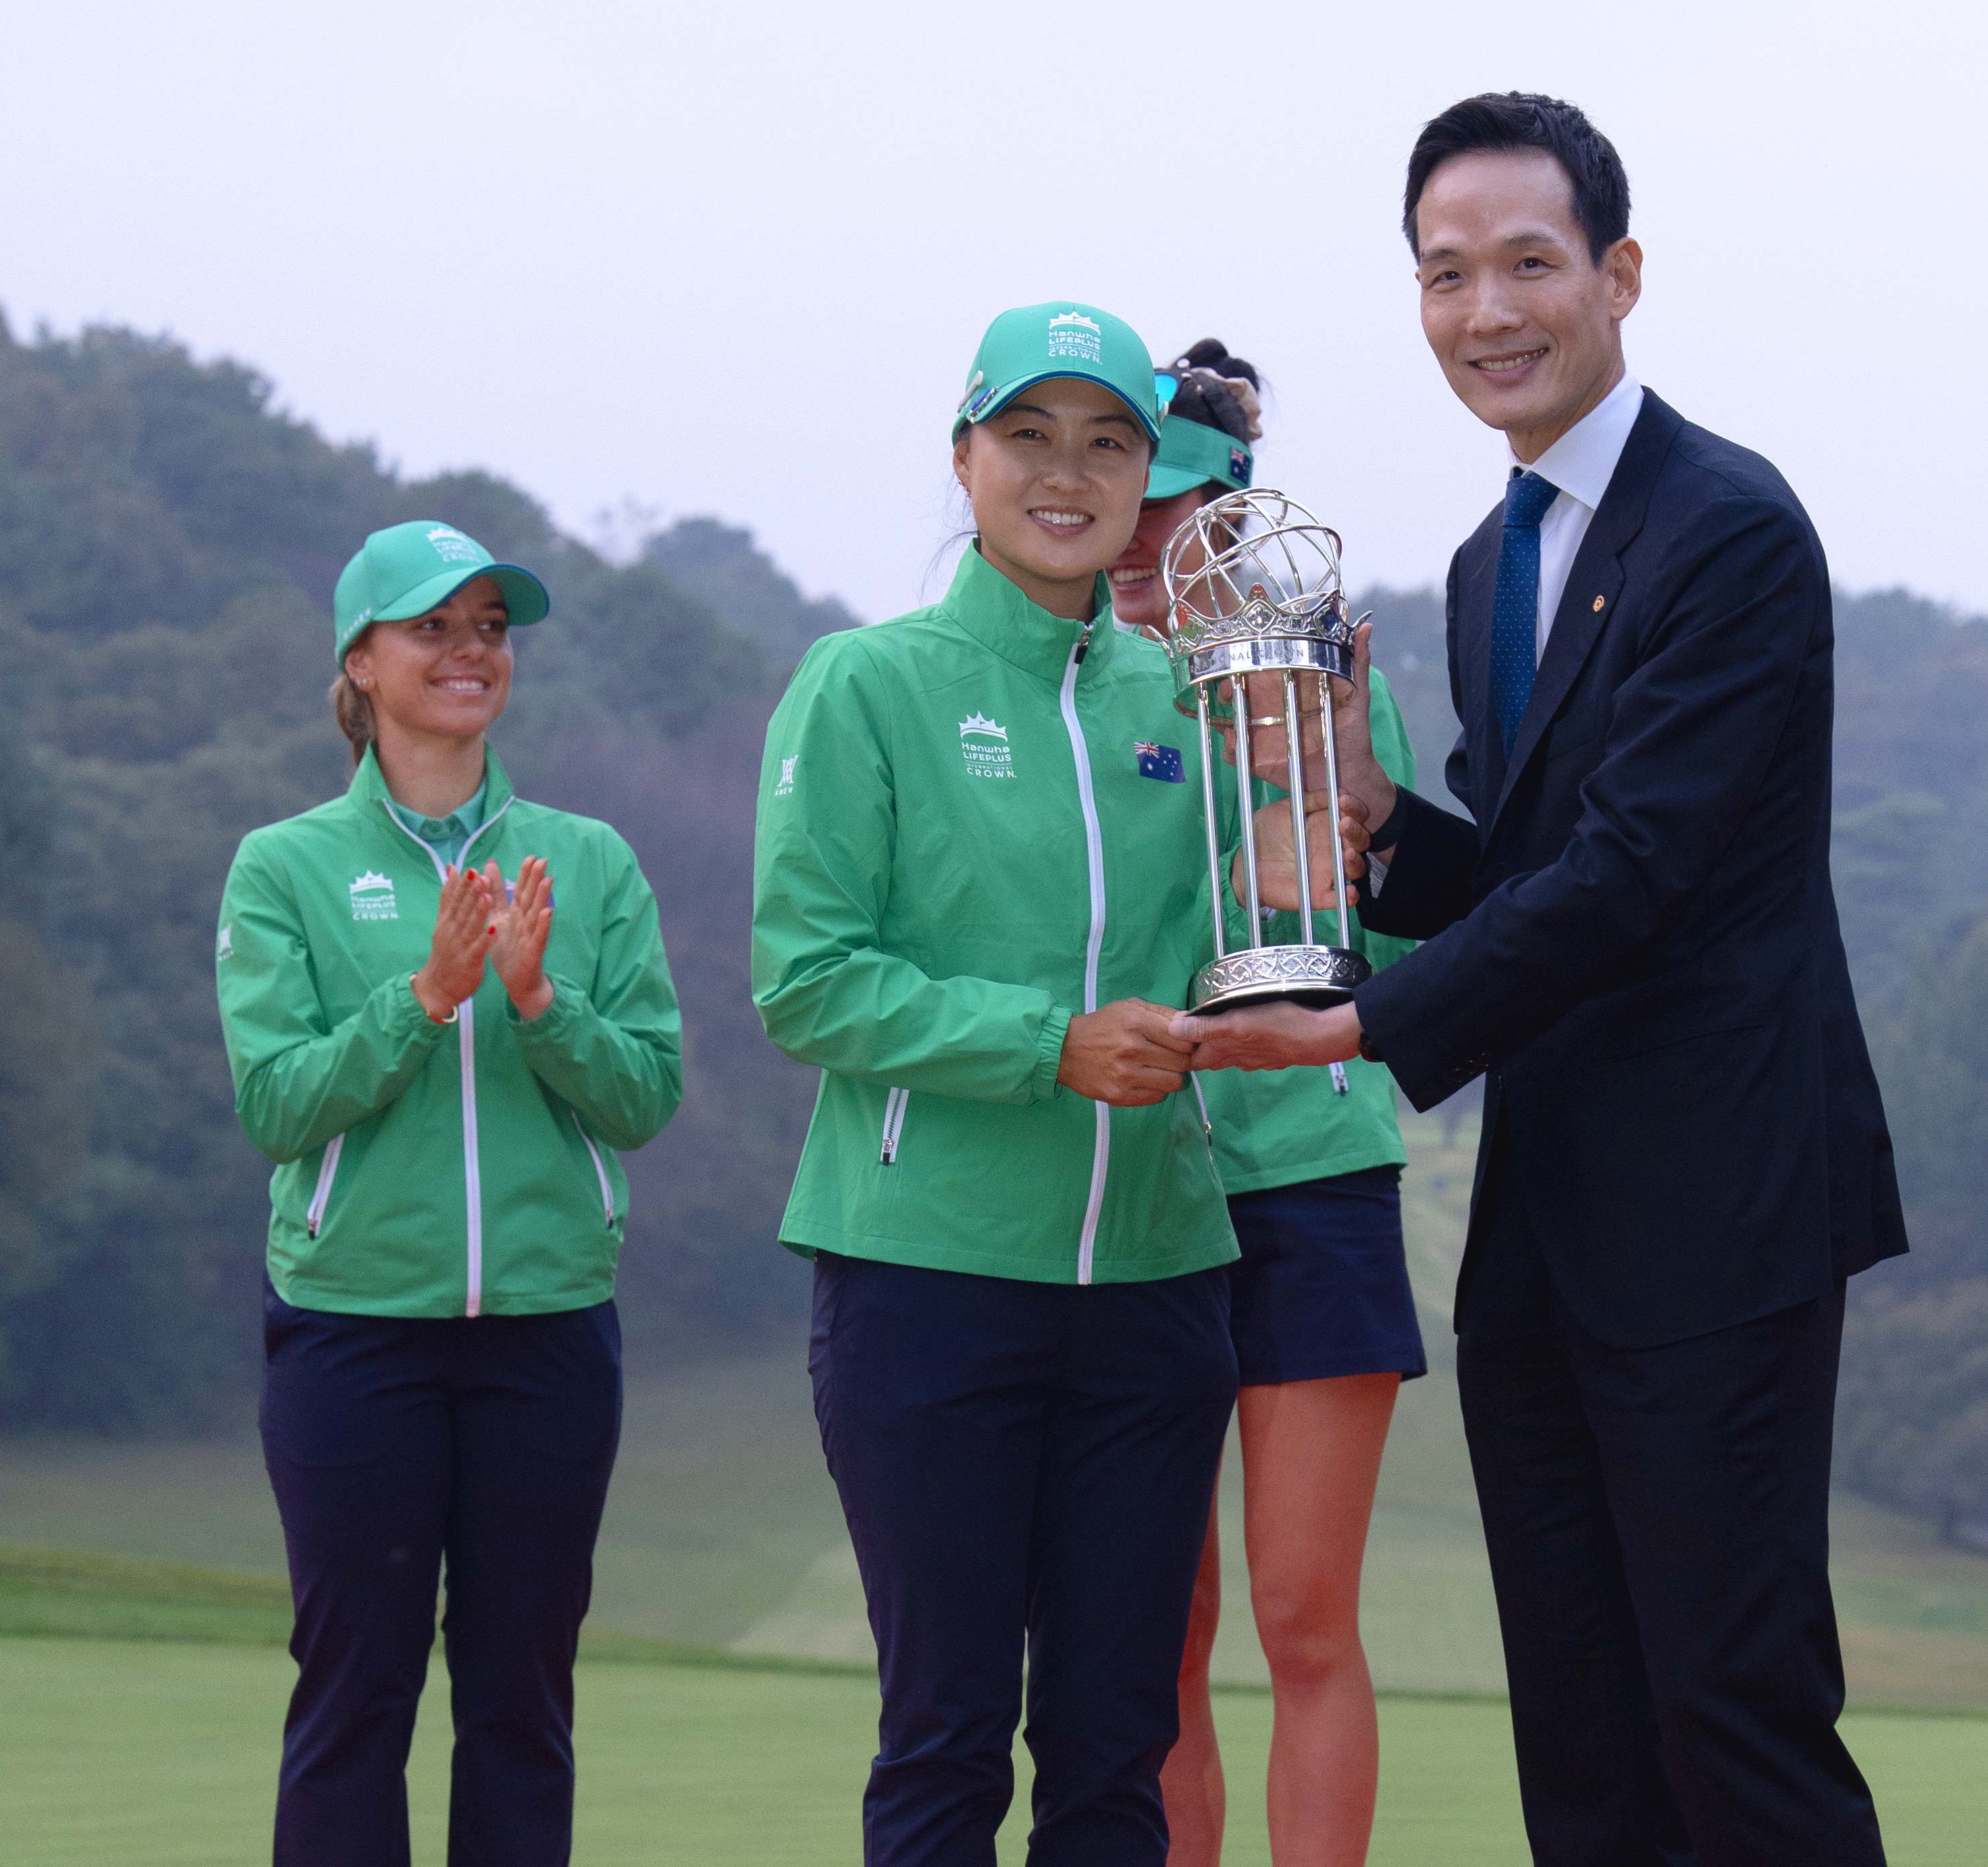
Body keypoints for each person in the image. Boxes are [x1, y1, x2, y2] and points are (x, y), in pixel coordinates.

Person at [1174, 93, 1908, 1867]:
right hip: (1550, 1220)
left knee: (1731, 1710)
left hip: (1720, 1212)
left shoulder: (1728, 527)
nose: (1486, 311)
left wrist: (1362, 1024)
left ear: (1619, 275)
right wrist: (1375, 823)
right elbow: (1522, 868)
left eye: (1527, 263)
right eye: (1446, 274)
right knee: (1581, 1730)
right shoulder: (1490, 557)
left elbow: (1639, 872)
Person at [752, 301, 1326, 1866]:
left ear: (1147, 474)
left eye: (1106, 443)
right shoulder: (865, 684)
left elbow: (1264, 944)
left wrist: (1312, 836)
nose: (1066, 474)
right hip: (925, 1282)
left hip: (1155, 1286)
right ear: (965, 457)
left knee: (1113, 1750)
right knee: (941, 1741)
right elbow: (806, 978)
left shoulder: (1184, 697)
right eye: (1029, 436)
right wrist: (1046, 1045)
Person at [216, 519, 685, 1867]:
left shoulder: (583, 860)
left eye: (490, 627)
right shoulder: (284, 865)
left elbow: (643, 1099)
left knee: (523, 1705)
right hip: (354, 1331)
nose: (469, 651)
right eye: (433, 627)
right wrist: (426, 995)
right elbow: (279, 1106)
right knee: (356, 1701)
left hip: (547, 1331)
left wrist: (539, 1001)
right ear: (359, 663)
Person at [1109, 342, 1428, 1867]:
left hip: (1312, 1181)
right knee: (1157, 1631)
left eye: (1165, 511)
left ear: (1234, 516)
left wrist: (1341, 829)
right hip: (1135, 1192)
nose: (1132, 545)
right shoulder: (1084, 697)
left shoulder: (1326, 693)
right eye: (1119, 504)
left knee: (1306, 1619)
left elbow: (1428, 958)